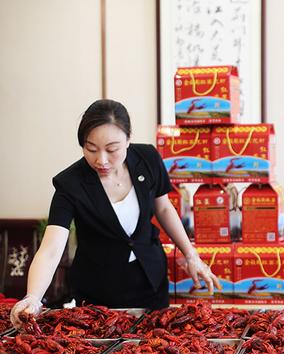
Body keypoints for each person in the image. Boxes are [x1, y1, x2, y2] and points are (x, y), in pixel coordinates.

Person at [10, 99, 220, 325]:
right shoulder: (70, 183)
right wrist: (33, 296)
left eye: (112, 149)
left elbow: (164, 208)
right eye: (91, 149)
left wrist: (191, 256)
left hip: (150, 280)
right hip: (98, 292)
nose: (101, 160)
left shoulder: (147, 159)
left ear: (128, 139)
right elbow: (51, 249)